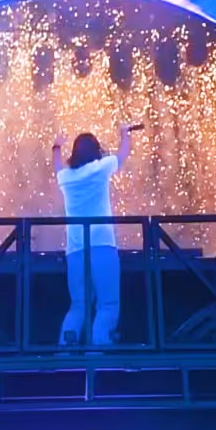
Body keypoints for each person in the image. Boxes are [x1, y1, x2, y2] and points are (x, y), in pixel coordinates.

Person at [52, 124, 136, 346]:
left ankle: (64, 356)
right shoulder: (100, 168)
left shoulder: (66, 178)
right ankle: (98, 356)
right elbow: (123, 154)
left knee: (78, 305)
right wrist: (124, 133)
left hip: (75, 251)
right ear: (96, 150)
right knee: (107, 305)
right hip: (102, 246)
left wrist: (56, 147)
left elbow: (58, 168)